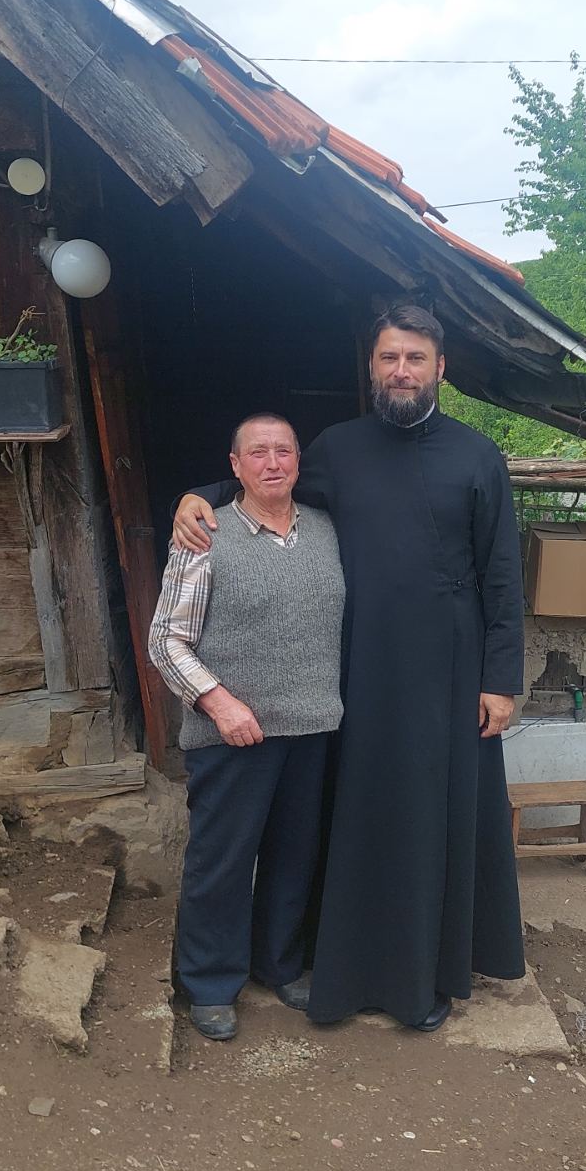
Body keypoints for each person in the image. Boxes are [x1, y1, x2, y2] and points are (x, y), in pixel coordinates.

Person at [172, 304, 526, 1033]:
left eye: (416, 358)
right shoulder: (338, 447)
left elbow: (502, 574)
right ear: (372, 367)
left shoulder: (477, 455)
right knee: (347, 817)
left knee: (428, 820)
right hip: (356, 670)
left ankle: (422, 972)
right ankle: (329, 961)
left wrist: (501, 679)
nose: (402, 371)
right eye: (390, 358)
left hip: (447, 673)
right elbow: (266, 485)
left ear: (440, 368)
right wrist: (198, 495)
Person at [149, 414, 346, 1042]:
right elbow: (166, 640)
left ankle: (278, 964)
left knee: (294, 856)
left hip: (311, 728)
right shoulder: (205, 534)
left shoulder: (327, 530)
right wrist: (218, 703)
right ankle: (209, 982)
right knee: (223, 861)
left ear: (298, 461)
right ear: (234, 466)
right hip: (231, 734)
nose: (272, 463)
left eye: (283, 451)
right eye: (257, 453)